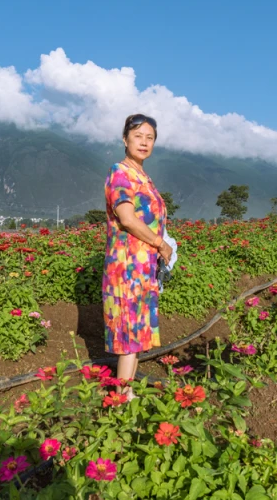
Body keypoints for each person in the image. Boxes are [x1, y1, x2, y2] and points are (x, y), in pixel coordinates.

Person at [103, 113, 173, 400]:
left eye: (150, 137)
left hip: (143, 266)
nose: (144, 142)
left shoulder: (143, 176)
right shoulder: (120, 173)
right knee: (129, 335)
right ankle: (121, 401)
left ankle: (127, 393)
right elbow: (128, 219)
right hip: (127, 266)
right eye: (138, 136)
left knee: (136, 335)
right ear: (125, 139)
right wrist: (160, 243)